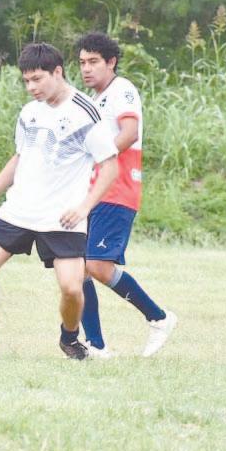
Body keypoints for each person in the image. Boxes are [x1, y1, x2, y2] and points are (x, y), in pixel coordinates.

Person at [0, 42, 119, 360]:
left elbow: (110, 167)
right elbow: (20, 157)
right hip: (19, 209)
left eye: (37, 79)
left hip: (61, 216)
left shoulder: (86, 112)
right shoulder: (29, 112)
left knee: (72, 288)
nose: (31, 87)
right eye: (26, 81)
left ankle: (70, 338)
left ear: (57, 72)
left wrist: (84, 207)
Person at [74, 32, 177, 358]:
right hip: (92, 191)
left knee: (98, 266)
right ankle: (96, 345)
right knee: (78, 266)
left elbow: (129, 133)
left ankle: (159, 318)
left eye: (93, 62)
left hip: (117, 190)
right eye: (82, 62)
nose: (86, 68)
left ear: (111, 62)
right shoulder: (92, 101)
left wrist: (98, 159)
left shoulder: (122, 90)